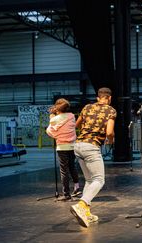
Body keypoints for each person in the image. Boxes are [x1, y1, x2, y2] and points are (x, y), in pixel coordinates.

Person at [70, 87, 116, 228]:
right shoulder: (111, 110)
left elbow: (76, 125)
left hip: (78, 146)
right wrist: (110, 139)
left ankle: (87, 213)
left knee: (89, 180)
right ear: (109, 98)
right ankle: (82, 205)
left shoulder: (87, 107)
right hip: (91, 147)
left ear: (98, 97)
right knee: (99, 180)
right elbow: (109, 131)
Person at [46, 98, 81, 201]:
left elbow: (51, 132)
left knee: (64, 171)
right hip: (72, 146)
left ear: (57, 108)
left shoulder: (54, 119)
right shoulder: (72, 116)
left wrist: (51, 117)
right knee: (72, 167)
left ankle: (66, 194)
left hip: (62, 147)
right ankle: (77, 186)